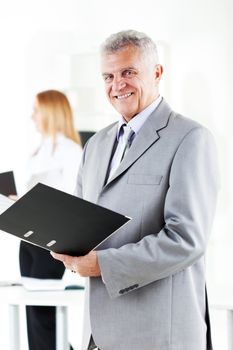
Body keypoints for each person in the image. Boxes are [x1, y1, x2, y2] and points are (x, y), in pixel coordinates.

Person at [51, 30, 219, 350]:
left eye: (128, 72)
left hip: (157, 336)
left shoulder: (190, 139)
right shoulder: (96, 145)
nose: (118, 85)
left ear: (156, 73)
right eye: (108, 76)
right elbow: (79, 222)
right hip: (95, 334)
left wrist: (102, 264)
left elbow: (186, 240)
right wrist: (59, 241)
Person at [20, 89, 82, 350]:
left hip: (52, 240)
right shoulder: (38, 150)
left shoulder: (71, 151)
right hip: (28, 237)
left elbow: (73, 200)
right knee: (33, 314)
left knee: (44, 315)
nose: (32, 116)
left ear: (50, 111)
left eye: (36, 110)